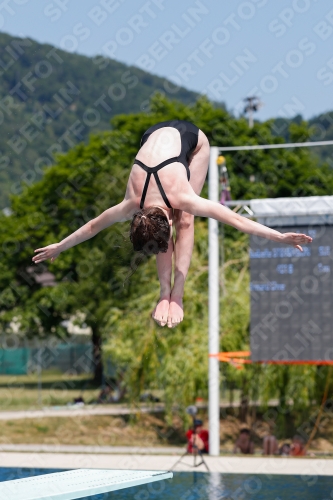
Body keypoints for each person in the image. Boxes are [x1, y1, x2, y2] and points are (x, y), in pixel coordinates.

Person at [32, 120, 312, 328]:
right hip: (152, 136)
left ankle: (176, 294)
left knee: (187, 219)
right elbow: (93, 226)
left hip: (192, 139)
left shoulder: (181, 196)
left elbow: (235, 218)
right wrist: (60, 246)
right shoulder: (131, 203)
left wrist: (279, 236)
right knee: (164, 229)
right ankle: (162, 293)